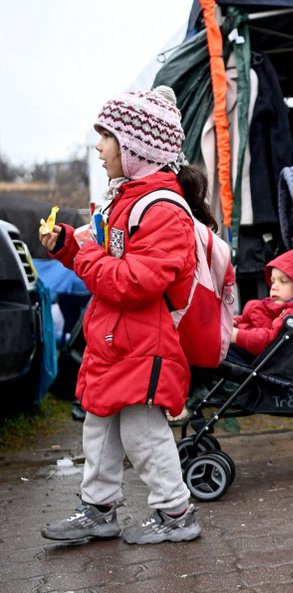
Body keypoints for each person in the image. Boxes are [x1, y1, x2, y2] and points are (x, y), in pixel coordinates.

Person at [39, 86, 209, 544]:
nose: (98, 146)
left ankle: (176, 513)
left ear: (135, 148)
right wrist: (70, 247)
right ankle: (99, 508)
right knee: (99, 426)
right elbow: (109, 265)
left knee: (142, 432)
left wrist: (85, 253)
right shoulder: (127, 200)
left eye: (107, 136)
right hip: (113, 340)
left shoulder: (163, 209)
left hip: (143, 343)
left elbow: (134, 282)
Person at [230, 247, 293, 358]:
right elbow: (246, 318)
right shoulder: (273, 306)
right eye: (272, 281)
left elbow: (268, 338)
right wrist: (234, 322)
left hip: (251, 350)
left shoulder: (291, 312)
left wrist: (235, 335)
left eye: (283, 281)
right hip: (241, 338)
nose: (274, 287)